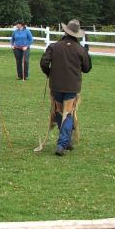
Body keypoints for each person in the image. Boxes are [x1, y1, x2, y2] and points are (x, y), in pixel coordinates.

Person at [40, 19, 92, 156]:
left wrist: (49, 73)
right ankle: (62, 143)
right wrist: (87, 53)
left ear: (65, 31)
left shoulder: (54, 46)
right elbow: (87, 68)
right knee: (68, 113)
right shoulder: (80, 49)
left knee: (59, 111)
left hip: (56, 85)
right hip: (72, 86)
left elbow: (44, 62)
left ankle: (66, 141)